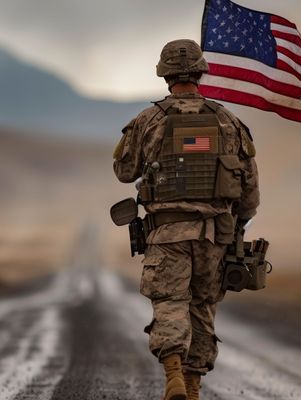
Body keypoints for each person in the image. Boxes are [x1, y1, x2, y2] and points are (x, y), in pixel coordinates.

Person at [113, 39, 259, 400]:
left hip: (167, 234)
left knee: (170, 303)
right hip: (215, 236)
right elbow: (250, 193)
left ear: (165, 75)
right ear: (200, 73)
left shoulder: (149, 120)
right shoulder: (230, 122)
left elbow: (123, 170)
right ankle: (192, 388)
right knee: (202, 308)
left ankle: (174, 376)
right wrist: (235, 225)